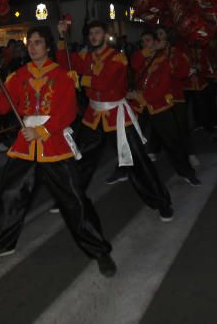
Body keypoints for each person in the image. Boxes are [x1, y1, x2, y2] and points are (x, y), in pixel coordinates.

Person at [0, 25, 116, 275]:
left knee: (75, 201)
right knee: (10, 193)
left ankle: (100, 251)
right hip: (25, 145)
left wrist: (41, 131)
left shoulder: (63, 76)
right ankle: (4, 242)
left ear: (47, 46)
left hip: (54, 145)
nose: (32, 47)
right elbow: (2, 107)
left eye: (37, 42)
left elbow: (67, 112)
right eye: (29, 43)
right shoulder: (18, 75)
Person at [57, 19, 174, 221]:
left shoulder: (117, 58)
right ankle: (71, 198)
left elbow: (105, 82)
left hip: (117, 116)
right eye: (91, 33)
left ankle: (162, 202)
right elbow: (65, 62)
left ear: (105, 36)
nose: (93, 36)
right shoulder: (85, 55)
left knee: (138, 161)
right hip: (93, 116)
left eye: (97, 32)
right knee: (80, 159)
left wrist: (80, 79)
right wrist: (62, 37)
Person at [129, 28, 199, 186]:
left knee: (173, 142)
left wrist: (141, 96)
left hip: (159, 106)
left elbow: (164, 84)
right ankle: (130, 171)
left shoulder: (165, 59)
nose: (145, 44)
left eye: (148, 40)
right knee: (132, 140)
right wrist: (149, 49)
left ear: (156, 41)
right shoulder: (141, 57)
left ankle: (187, 172)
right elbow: (134, 63)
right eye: (143, 41)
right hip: (140, 107)